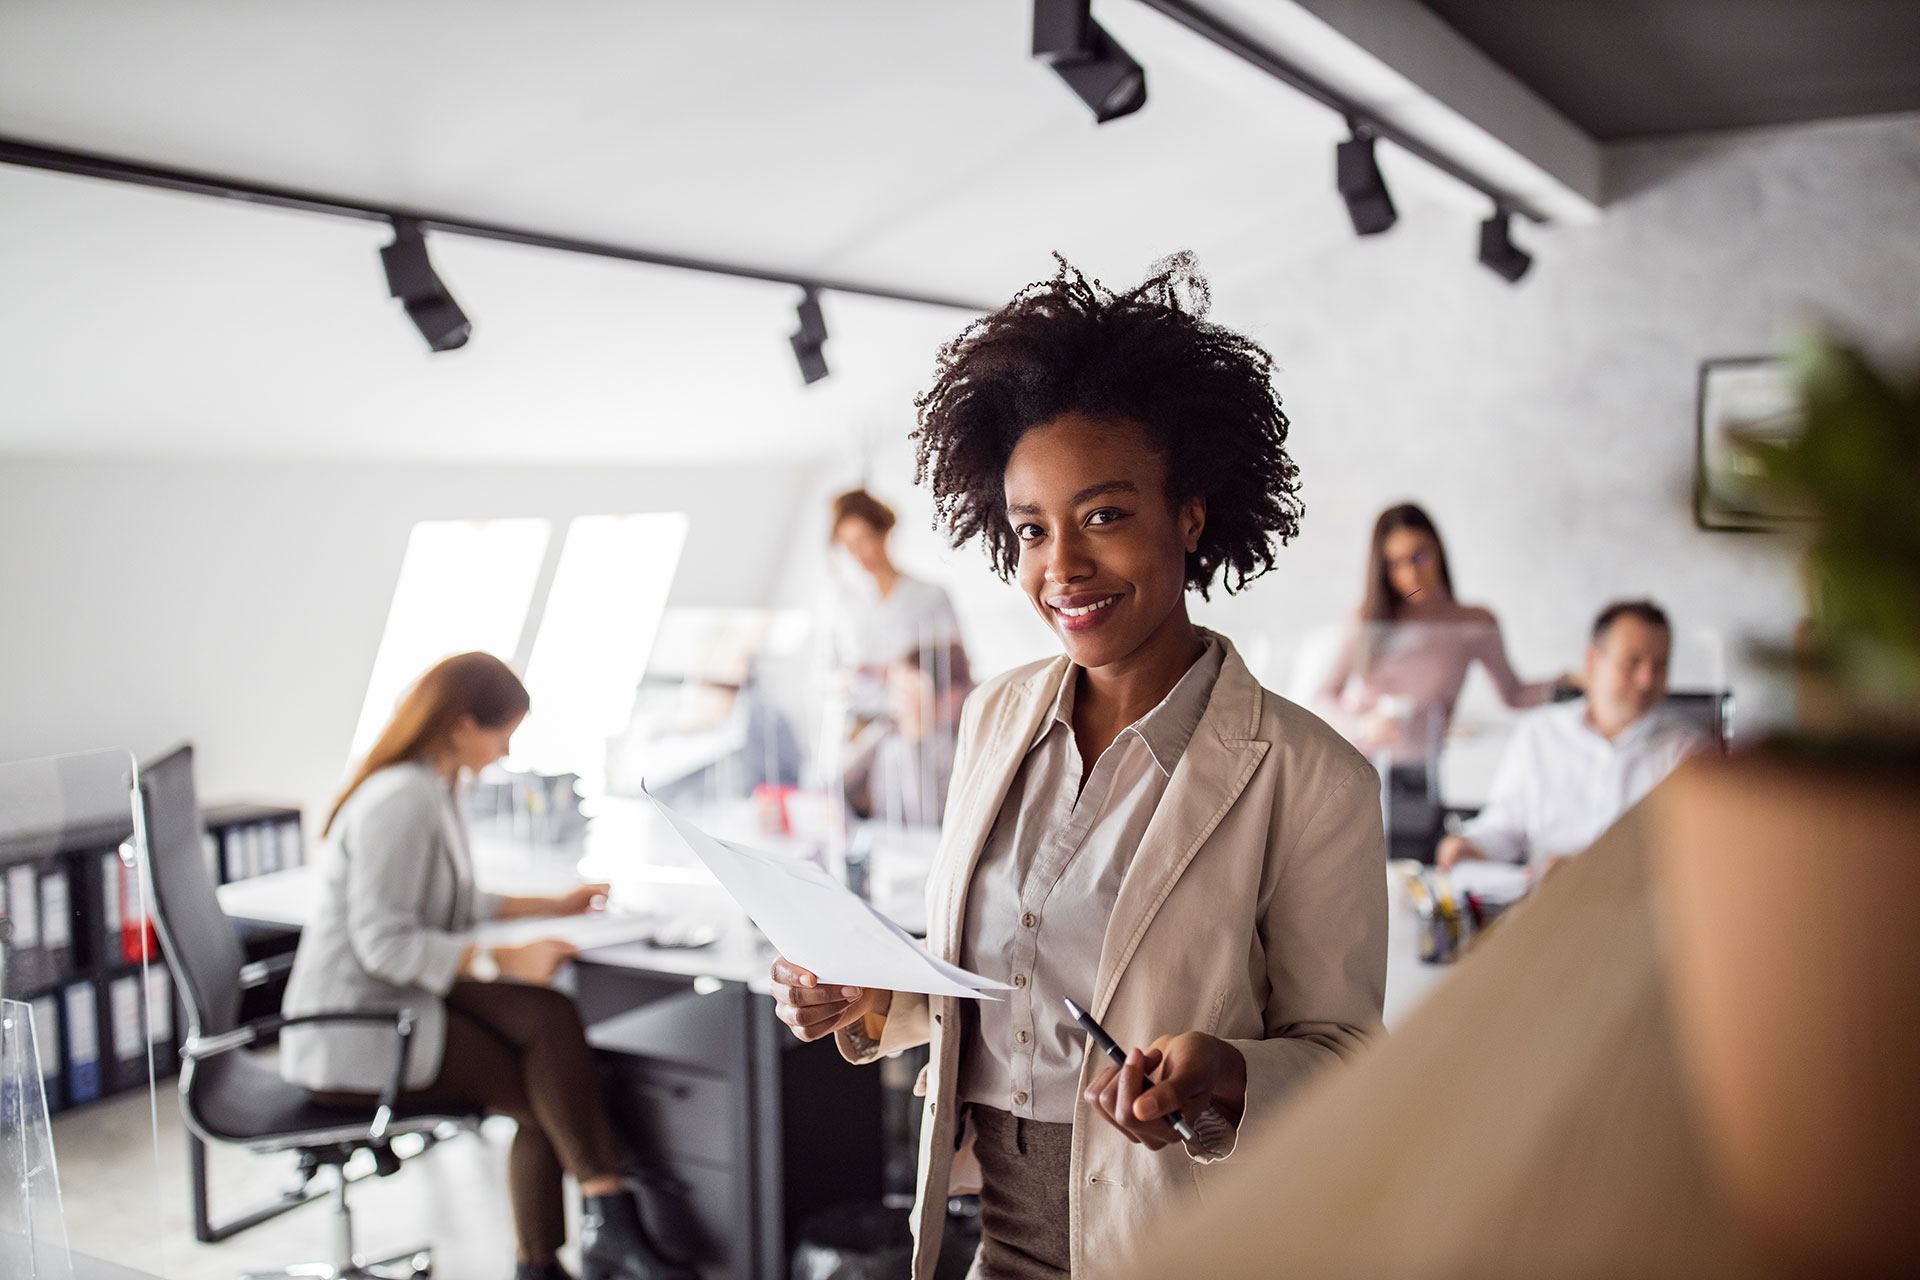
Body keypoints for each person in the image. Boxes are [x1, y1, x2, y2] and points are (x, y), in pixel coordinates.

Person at [770, 256, 1386, 1280]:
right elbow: (1002, 967)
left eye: (1103, 515)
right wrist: (865, 996)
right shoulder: (997, 715)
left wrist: (1228, 1071)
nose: (1062, 566)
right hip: (993, 1233)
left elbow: (1347, 1059)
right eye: (1031, 529)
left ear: (1188, 515)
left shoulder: (1310, 776)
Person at [279, 652, 689, 1280]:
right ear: (463, 724)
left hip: (403, 998)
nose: (504, 752)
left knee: (550, 1016)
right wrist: (503, 958)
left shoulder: (435, 787)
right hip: (358, 1029)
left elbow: (457, 903)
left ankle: (590, 1229)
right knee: (542, 1092)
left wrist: (552, 904)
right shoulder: (401, 801)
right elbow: (384, 945)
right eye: (503, 734)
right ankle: (579, 1238)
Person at [1437, 601, 1712, 876]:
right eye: (1633, 662)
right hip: (1547, 906)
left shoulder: (1689, 753)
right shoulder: (1541, 733)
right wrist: (1470, 845)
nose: (1646, 680)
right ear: (1593, 661)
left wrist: (1587, 874)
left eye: (1660, 665)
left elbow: (1695, 856)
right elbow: (1506, 822)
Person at [1317, 503, 1572, 763]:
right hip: (1356, 763)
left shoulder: (1474, 624)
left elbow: (1514, 694)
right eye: (1396, 564)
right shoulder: (1367, 619)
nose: (1411, 575)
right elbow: (1321, 699)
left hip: (1422, 768)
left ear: (1438, 551)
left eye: (1420, 557)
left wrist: (1567, 689)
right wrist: (1360, 726)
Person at [825, 487, 971, 718]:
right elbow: (829, 676)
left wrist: (898, 673)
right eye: (848, 545)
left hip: (920, 724)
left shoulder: (931, 596)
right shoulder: (843, 604)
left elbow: (958, 669)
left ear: (883, 533)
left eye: (863, 540)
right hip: (861, 726)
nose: (857, 553)